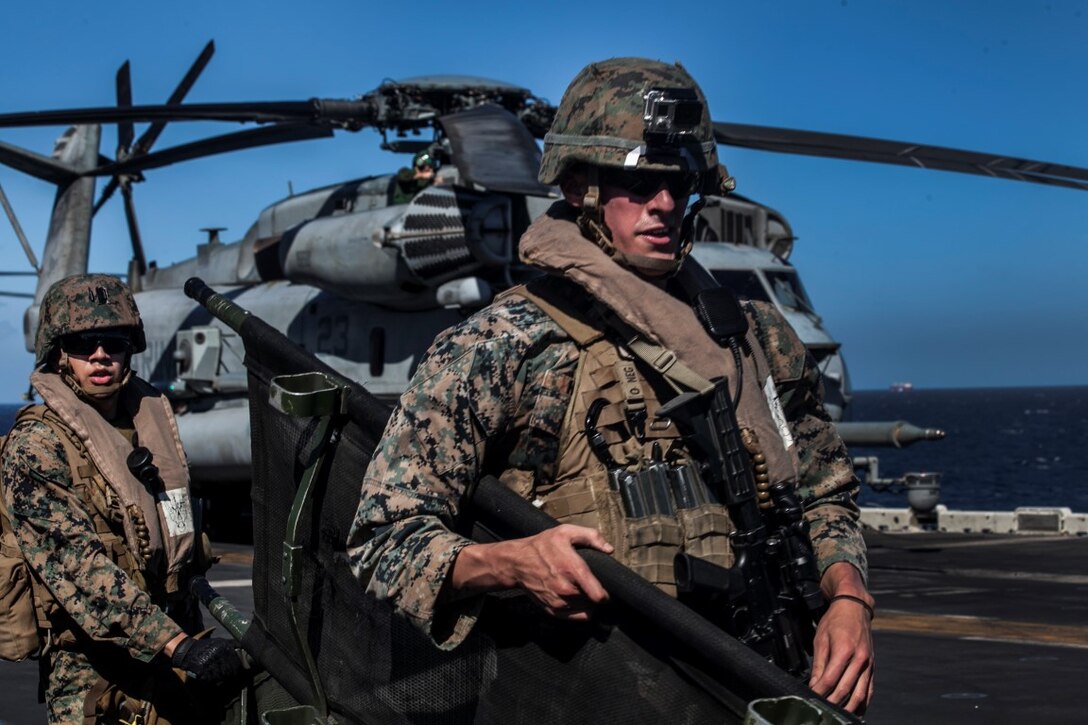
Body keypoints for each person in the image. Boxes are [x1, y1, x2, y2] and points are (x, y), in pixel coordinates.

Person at [347, 58, 875, 714]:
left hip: (754, 687)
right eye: (638, 182)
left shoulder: (755, 341)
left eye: (677, 184)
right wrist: (514, 563)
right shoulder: (506, 344)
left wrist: (847, 596)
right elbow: (383, 540)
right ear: (577, 187)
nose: (663, 204)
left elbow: (826, 492)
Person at [0, 274, 247, 723]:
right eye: (82, 343)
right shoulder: (36, 445)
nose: (99, 355)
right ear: (59, 354)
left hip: (176, 660)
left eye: (113, 342)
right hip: (95, 676)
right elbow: (77, 568)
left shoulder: (149, 430)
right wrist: (178, 646)